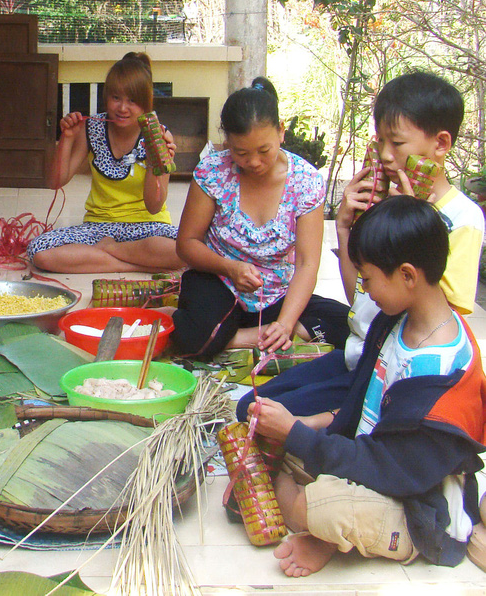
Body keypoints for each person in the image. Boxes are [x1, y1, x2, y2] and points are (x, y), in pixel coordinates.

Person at [248, 196, 486, 576]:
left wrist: (299, 437)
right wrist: (306, 427)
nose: (364, 289)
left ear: (407, 275)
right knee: (273, 436)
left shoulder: (439, 372)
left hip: (414, 499)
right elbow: (365, 409)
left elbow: (392, 469)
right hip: (372, 457)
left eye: (369, 278)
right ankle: (306, 509)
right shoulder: (394, 321)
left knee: (322, 506)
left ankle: (314, 524)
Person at [237, 71, 485, 417]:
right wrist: (344, 230)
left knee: (266, 417)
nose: (384, 155)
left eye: (396, 144)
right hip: (356, 354)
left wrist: (411, 224)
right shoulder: (382, 202)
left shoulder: (462, 219)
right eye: (379, 141)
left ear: (441, 144)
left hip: (386, 374)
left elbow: (438, 318)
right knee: (248, 405)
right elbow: (361, 299)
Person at [172, 78, 339, 358]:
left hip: (275, 292)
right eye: (241, 153)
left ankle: (239, 335)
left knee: (344, 323)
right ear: (227, 143)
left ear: (281, 132)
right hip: (219, 280)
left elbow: (308, 263)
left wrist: (285, 323)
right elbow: (187, 244)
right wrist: (230, 268)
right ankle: (251, 334)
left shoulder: (306, 181)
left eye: (264, 151)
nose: (254, 162)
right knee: (192, 339)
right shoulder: (212, 172)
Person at [27, 52, 183, 273]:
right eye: (116, 98)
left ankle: (109, 254)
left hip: (148, 227)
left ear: (146, 103)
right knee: (40, 252)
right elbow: (55, 181)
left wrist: (154, 161)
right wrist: (67, 138)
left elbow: (154, 205)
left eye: (132, 100)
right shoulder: (92, 129)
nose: (122, 108)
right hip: (98, 226)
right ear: (106, 96)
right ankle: (134, 265)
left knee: (182, 251)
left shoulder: (158, 135)